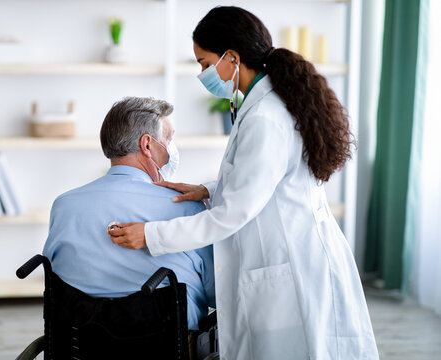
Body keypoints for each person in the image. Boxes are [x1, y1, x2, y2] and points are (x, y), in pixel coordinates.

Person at [108, 6, 379, 360]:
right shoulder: (261, 105)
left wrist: (151, 234)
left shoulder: (266, 117)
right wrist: (208, 189)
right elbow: (265, 180)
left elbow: (231, 216)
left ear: (232, 58)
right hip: (289, 253)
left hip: (291, 265)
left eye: (205, 64)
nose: (203, 74)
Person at [43, 96, 215, 330]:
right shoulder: (185, 205)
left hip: (81, 342)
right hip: (164, 343)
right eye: (169, 138)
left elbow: (56, 278)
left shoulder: (64, 206)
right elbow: (216, 293)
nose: (172, 148)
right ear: (147, 145)